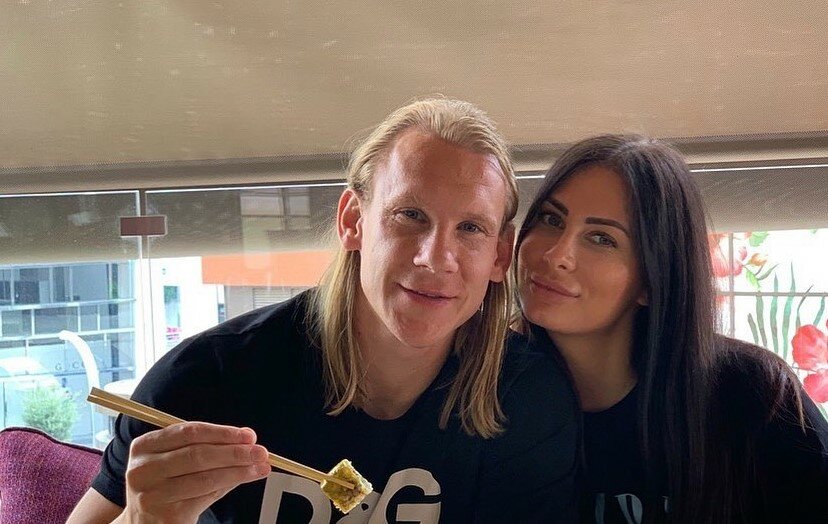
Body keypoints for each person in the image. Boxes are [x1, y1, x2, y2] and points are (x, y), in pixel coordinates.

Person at [68, 98, 579, 523]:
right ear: (353, 220)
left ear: (500, 254)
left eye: (470, 228)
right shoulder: (206, 381)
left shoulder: (528, 398)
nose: (435, 258)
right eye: (410, 215)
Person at [512, 134, 828, 523]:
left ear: (651, 280)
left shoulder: (753, 396)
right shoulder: (487, 394)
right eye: (551, 219)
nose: (556, 254)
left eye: (601, 238)